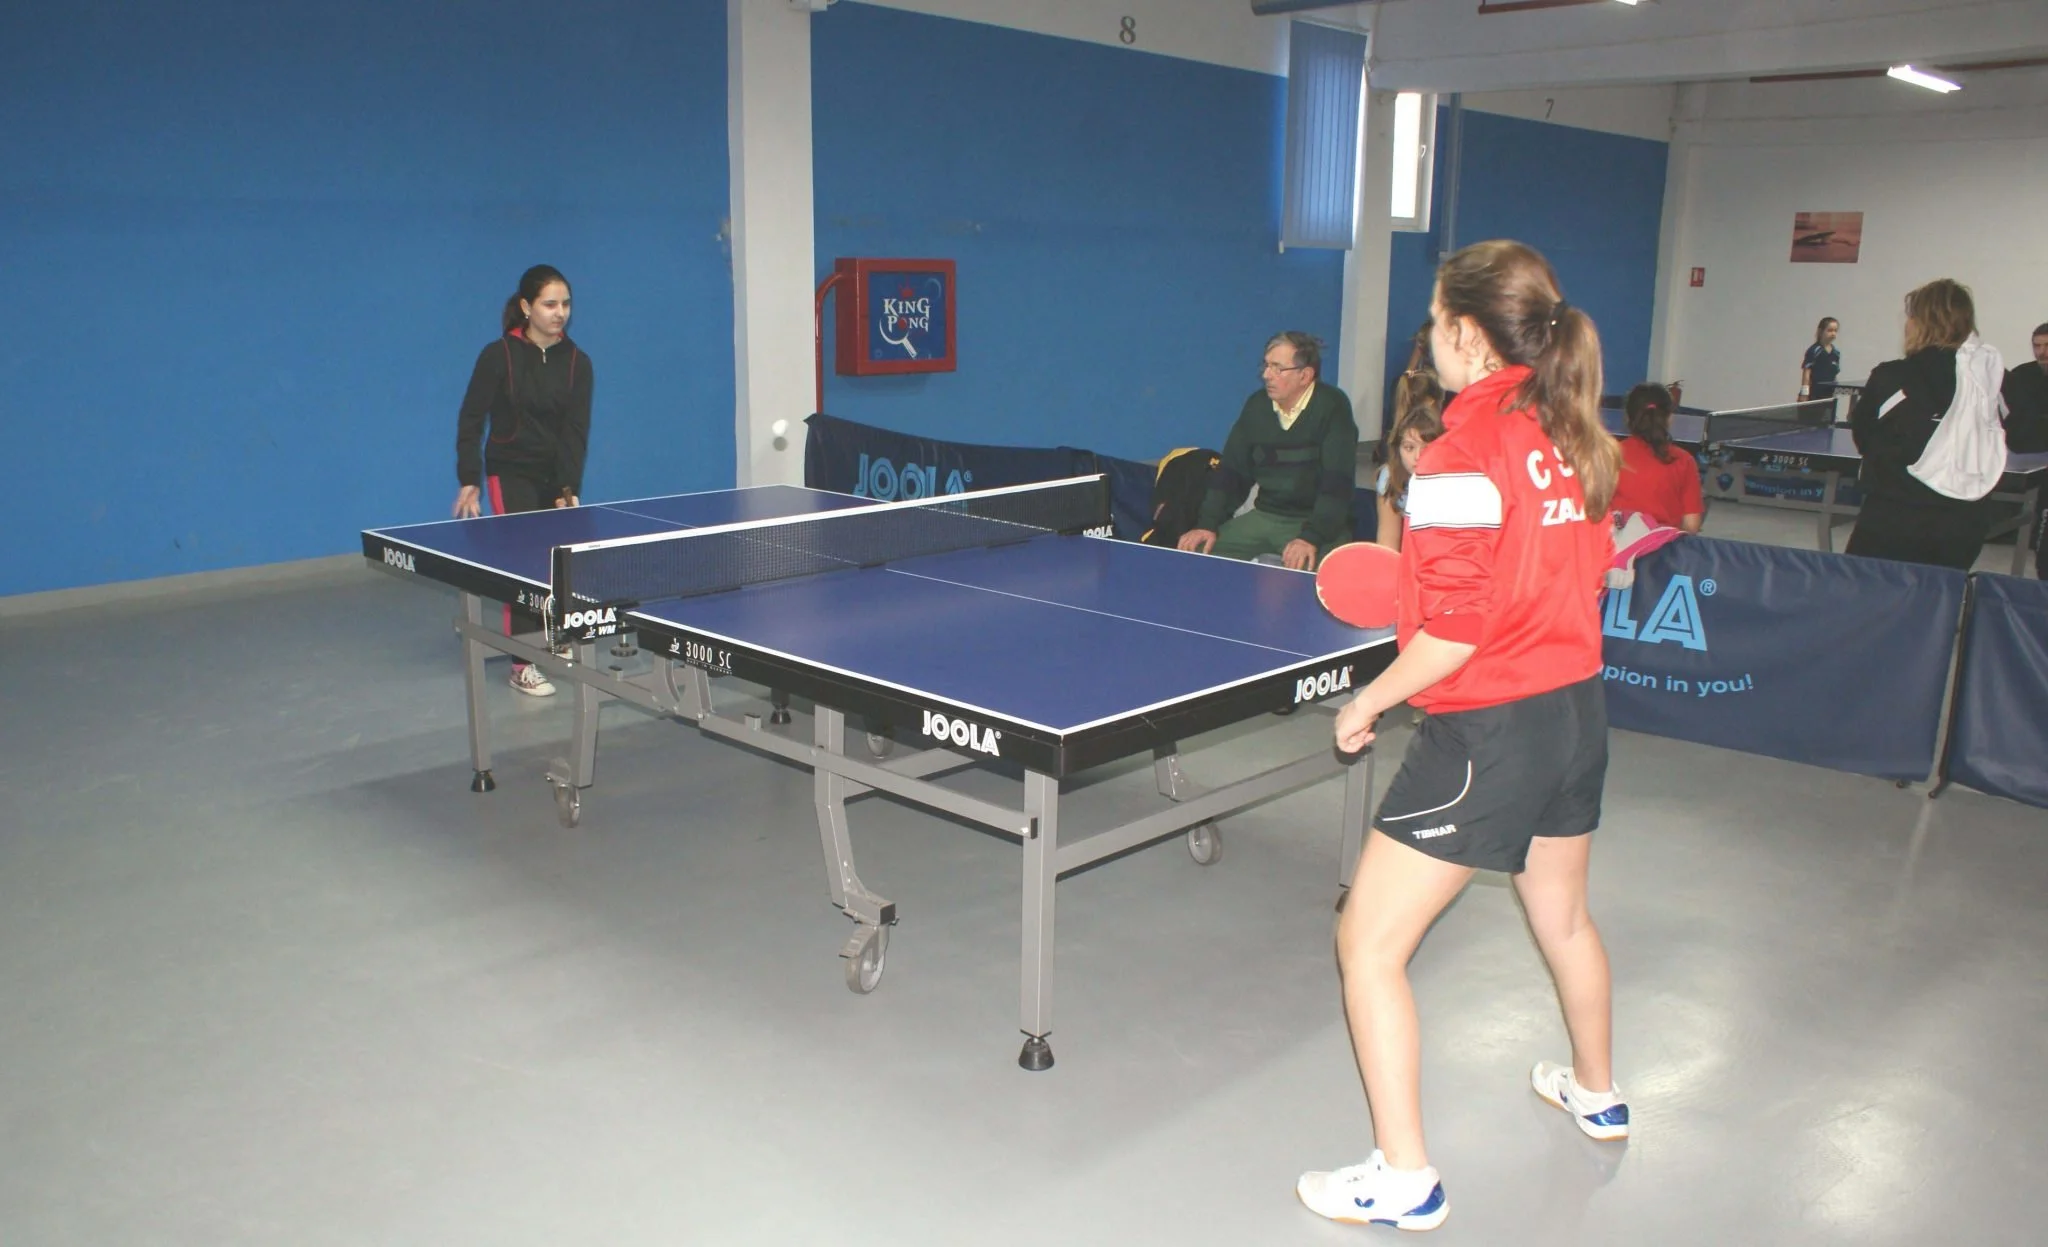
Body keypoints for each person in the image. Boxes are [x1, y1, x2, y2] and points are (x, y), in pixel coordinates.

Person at [1295, 241, 1624, 1232]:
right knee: (1563, 918)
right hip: (1576, 712)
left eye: (1435, 318)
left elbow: (1455, 631)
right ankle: (1597, 1090)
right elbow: (1586, 572)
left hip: (1487, 729)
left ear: (1468, 333)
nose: (1426, 335)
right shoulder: (1569, 432)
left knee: (1366, 945)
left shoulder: (1454, 454)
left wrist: (1366, 701)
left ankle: (1404, 1178)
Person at [453, 264, 595, 696]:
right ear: (526, 307)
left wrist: (568, 487)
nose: (560, 312)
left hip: (553, 473)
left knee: (557, 561)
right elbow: (471, 418)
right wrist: (469, 478)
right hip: (510, 469)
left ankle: (550, 637)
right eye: (550, 304)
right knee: (525, 562)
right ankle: (522, 663)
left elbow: (576, 431)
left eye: (565, 304)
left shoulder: (578, 363)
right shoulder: (498, 355)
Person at [1845, 283, 2048, 571]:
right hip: (1963, 523)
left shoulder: (1891, 376)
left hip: (1892, 516)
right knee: (1941, 594)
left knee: (1868, 591)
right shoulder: (1992, 378)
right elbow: (2026, 436)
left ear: (1922, 322)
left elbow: (1865, 439)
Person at [1177, 333, 1358, 570]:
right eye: (1266, 365)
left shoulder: (1332, 406)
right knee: (1197, 555)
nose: (1266, 375)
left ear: (1305, 375)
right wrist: (1207, 524)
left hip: (1313, 523)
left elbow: (1337, 484)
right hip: (1265, 515)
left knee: (1323, 572)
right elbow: (1231, 472)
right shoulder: (1257, 405)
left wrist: (1311, 537)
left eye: (1277, 368)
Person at [1609, 383, 1704, 533]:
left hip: (1618, 544)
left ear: (1627, 417)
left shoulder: (1609, 455)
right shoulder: (1685, 461)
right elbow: (1691, 525)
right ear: (1669, 418)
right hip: (1665, 545)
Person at [1373, 372, 1446, 553]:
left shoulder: (1454, 477)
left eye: (1426, 448)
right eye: (1409, 448)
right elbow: (1387, 543)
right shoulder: (1389, 478)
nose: (1418, 456)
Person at [2004, 324, 2048, 576]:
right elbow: (2012, 423)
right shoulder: (2021, 376)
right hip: (2023, 454)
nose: (2042, 352)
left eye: (2047, 346)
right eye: (2037, 346)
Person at [1801, 316, 1841, 405]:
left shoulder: (1836, 353)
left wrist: (1835, 392)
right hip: (1814, 395)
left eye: (1835, 331)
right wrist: (1804, 392)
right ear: (1820, 331)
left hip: (1829, 395)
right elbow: (1807, 371)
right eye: (1830, 330)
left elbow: (1834, 374)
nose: (1833, 333)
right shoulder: (1814, 350)